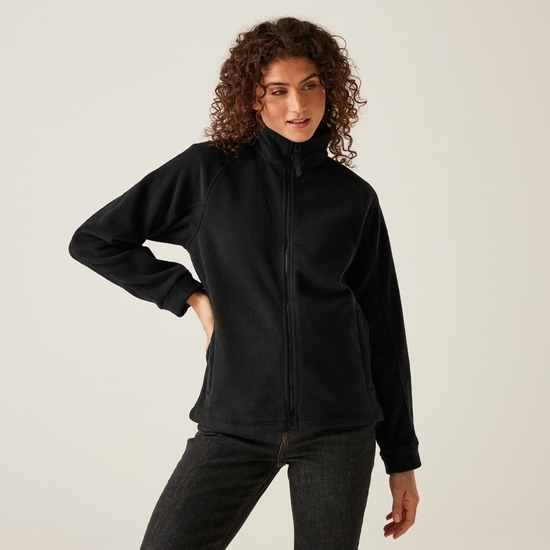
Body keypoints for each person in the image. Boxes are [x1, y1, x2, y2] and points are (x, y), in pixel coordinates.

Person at [69, 17, 420, 550]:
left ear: (330, 89)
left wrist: (401, 459)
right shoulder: (208, 173)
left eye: (310, 86)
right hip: (234, 420)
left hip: (340, 426)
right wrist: (190, 295)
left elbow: (384, 328)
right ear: (253, 98)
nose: (298, 105)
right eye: (278, 90)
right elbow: (96, 240)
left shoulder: (353, 197)